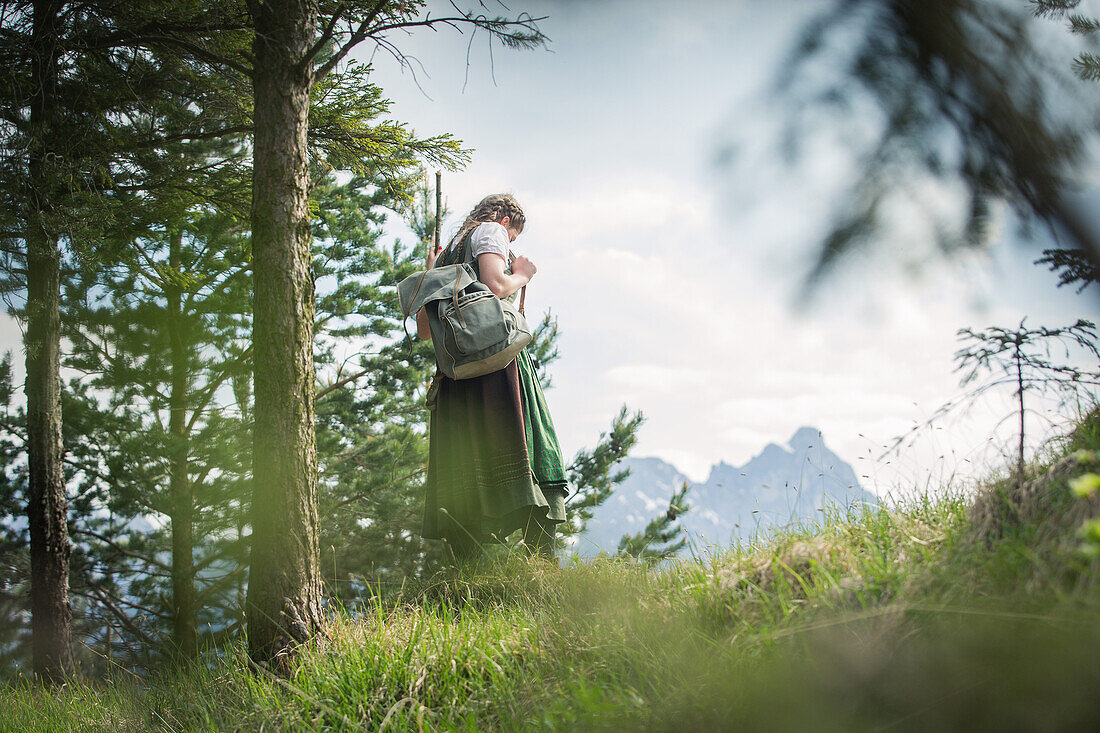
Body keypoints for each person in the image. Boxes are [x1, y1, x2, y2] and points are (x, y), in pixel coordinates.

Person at [416, 193, 568, 560]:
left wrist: (432, 270)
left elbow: (424, 329)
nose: (509, 244)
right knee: (530, 448)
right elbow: (497, 285)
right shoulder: (490, 230)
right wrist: (523, 273)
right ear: (504, 221)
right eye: (512, 238)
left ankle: (469, 579)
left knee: (468, 466)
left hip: (456, 377)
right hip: (497, 369)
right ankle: (539, 568)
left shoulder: (446, 255)